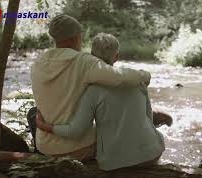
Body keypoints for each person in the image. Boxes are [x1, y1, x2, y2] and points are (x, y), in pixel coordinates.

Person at [36, 33, 165, 171]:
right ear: (116, 57)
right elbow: (148, 118)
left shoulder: (92, 91)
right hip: (152, 153)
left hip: (117, 162)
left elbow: (76, 130)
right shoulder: (136, 80)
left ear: (91, 54)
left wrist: (46, 127)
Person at [31, 15, 151, 159]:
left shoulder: (38, 62)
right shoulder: (83, 62)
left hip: (44, 145)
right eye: (80, 36)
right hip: (77, 147)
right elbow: (119, 77)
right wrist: (145, 76)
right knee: (114, 128)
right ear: (73, 38)